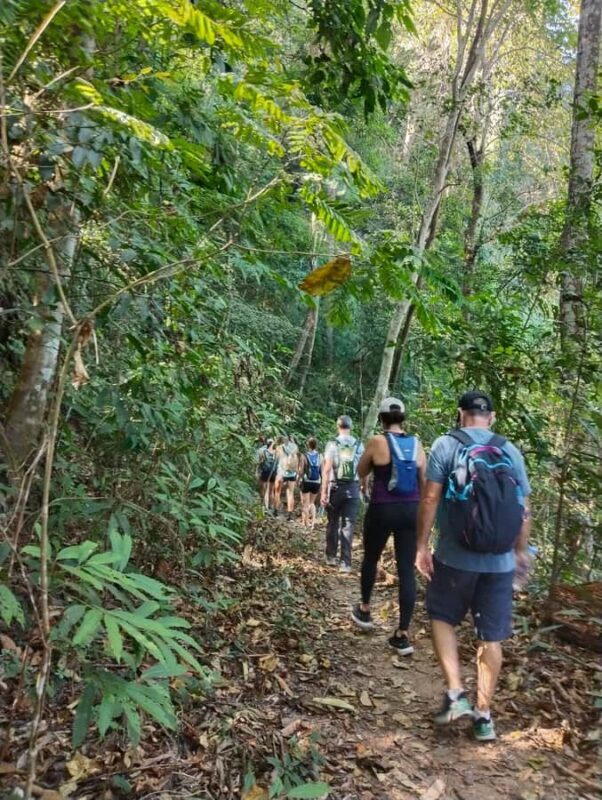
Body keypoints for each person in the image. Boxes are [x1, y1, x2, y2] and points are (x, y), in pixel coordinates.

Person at [415, 391, 532, 742]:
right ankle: (484, 716)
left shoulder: (447, 445)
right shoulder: (510, 450)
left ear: (460, 414)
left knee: (441, 617)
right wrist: (520, 552)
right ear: (491, 417)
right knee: (491, 636)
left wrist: (421, 545)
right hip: (500, 562)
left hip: (455, 557)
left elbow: (431, 497)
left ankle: (455, 693)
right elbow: (524, 508)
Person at [351, 397, 426, 655]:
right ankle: (402, 635)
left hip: (382, 508)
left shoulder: (377, 441)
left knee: (371, 558)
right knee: (406, 569)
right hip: (411, 510)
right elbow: (424, 482)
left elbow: (360, 471)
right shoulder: (417, 444)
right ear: (403, 419)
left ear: (382, 419)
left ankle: (364, 610)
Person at [321, 415, 365, 573]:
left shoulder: (332, 444)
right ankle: (345, 563)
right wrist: (363, 488)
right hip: (353, 489)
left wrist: (324, 492)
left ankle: (331, 556)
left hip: (335, 488)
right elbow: (364, 470)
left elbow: (327, 470)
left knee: (333, 522)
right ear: (351, 427)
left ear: (338, 426)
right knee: (348, 525)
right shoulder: (359, 445)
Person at [274, 435, 299, 521]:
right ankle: (290, 514)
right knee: (290, 493)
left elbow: (276, 459)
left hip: (281, 472)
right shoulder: (295, 447)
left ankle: (276, 512)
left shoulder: (279, 448)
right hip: (291, 473)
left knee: (277, 492)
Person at [299, 437, 322, 528]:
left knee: (305, 503)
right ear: (316, 445)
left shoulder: (304, 456)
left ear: (308, 445)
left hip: (307, 481)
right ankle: (313, 523)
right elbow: (322, 470)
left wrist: (299, 479)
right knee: (312, 503)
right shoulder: (320, 456)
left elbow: (301, 470)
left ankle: (306, 524)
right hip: (316, 481)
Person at [257, 438, 278, 514]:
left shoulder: (264, 452)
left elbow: (260, 462)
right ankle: (271, 506)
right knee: (271, 491)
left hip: (265, 472)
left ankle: (265, 507)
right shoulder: (276, 453)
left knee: (265, 490)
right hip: (273, 473)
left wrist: (258, 471)